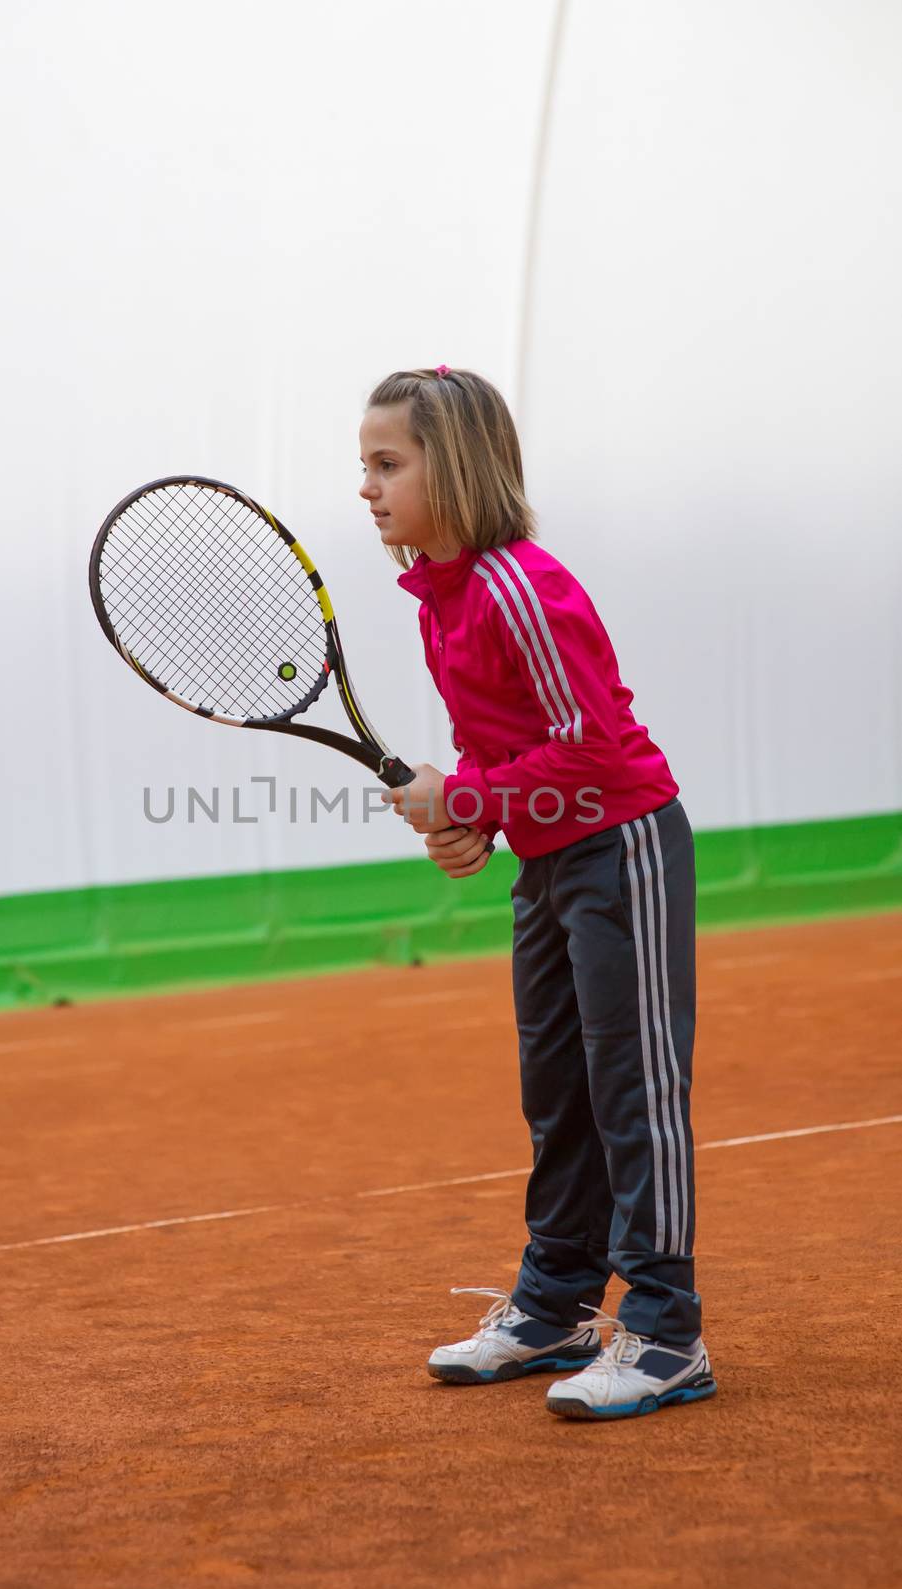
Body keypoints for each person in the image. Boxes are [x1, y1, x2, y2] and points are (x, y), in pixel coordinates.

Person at [360, 366, 716, 1421]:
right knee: (558, 1092)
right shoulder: (441, 600)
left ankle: (664, 1330)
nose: (369, 488)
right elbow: (501, 747)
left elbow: (594, 752)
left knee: (633, 1091)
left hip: (624, 849)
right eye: (365, 467)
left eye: (388, 464)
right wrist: (475, 820)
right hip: (552, 864)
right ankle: (556, 1302)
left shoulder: (521, 585)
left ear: (455, 467)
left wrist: (465, 790)